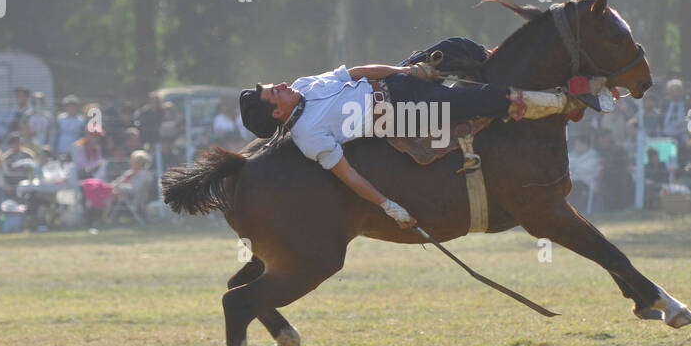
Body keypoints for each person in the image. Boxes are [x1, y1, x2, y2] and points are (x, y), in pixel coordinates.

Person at [239, 59, 576, 229]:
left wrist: (407, 69)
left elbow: (356, 72)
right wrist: (388, 206)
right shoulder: (308, 136)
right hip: (401, 115)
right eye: (275, 92)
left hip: (397, 83)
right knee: (474, 102)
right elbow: (348, 175)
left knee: (455, 47)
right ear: (278, 112)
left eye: (276, 85)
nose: (282, 84)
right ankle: (561, 102)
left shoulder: (303, 84)